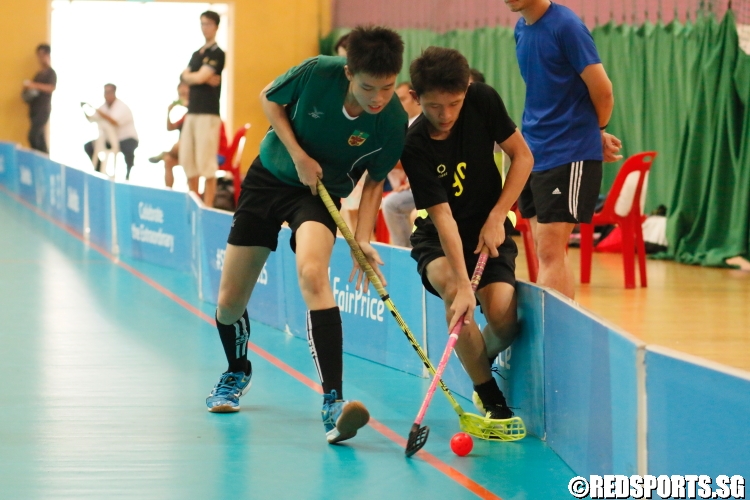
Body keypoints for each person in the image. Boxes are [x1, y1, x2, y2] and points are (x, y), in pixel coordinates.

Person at [205, 27, 407, 446]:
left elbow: (373, 182)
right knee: (228, 303)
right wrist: (298, 155)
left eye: (387, 88)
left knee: (314, 274)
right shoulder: (319, 72)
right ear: (349, 73)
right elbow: (269, 99)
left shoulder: (391, 121)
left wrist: (363, 237)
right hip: (271, 176)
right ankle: (237, 370)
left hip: (319, 194)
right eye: (368, 87)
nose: (378, 98)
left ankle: (333, 400)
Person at [400, 47, 533, 419]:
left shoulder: (483, 100)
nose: (445, 116)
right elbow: (443, 219)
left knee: (505, 321)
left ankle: (476, 358)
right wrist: (461, 283)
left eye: (454, 104)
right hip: (440, 237)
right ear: (415, 97)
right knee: (455, 301)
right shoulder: (414, 144)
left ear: (467, 90)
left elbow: (523, 158)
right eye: (434, 107)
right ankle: (490, 398)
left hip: (488, 229)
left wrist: (498, 214)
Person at [507, 0, 622, 299]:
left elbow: (603, 90)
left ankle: (555, 340)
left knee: (549, 251)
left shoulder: (566, 26)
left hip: (567, 152)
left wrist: (596, 131)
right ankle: (553, 337)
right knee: (544, 251)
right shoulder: (521, 29)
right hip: (533, 153)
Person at [180, 10, 225, 208]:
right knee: (188, 160)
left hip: (208, 113)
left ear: (215, 26)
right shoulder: (196, 54)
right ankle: (193, 202)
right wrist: (197, 77)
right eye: (202, 24)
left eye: (207, 24)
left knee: (206, 163)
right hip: (192, 112)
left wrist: (196, 77)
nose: (204, 28)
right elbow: (186, 76)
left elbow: (196, 77)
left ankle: (207, 207)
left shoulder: (218, 53)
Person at [149, 82, 227, 190]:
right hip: (194, 150)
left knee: (183, 148)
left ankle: (165, 153)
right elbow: (171, 127)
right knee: (169, 159)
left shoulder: (206, 115)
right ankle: (169, 192)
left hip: (211, 152)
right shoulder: (188, 117)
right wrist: (169, 112)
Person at [382, 82, 421, 247]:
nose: (400, 104)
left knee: (392, 204)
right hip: (410, 183)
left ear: (415, 98)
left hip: (428, 186)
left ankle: (405, 253)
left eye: (403, 99)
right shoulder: (401, 123)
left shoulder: (421, 124)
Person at [83, 84, 139, 180]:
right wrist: (85, 109)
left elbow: (113, 121)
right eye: (105, 92)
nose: (106, 95)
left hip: (126, 138)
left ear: (114, 93)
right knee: (89, 146)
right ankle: (100, 172)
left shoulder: (121, 107)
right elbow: (92, 118)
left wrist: (97, 111)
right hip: (110, 139)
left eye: (109, 92)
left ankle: (128, 176)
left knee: (128, 150)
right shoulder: (103, 107)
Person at [22, 44, 57, 154]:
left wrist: (33, 85)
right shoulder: (38, 74)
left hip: (43, 109)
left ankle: (38, 158)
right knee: (40, 139)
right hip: (34, 109)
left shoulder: (51, 73)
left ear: (47, 55)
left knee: (33, 136)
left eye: (42, 55)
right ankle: (44, 159)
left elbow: (51, 87)